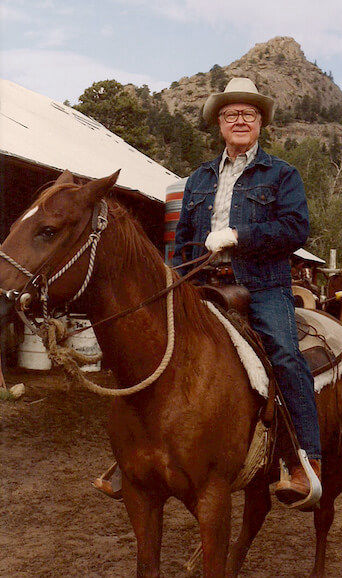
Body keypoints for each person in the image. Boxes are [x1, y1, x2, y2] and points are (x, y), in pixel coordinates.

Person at [94, 77, 321, 507]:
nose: (240, 120)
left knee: (285, 355)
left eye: (248, 114)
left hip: (260, 285)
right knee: (147, 345)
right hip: (200, 282)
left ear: (260, 124)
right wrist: (172, 278)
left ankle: (303, 461)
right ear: (219, 123)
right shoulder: (196, 180)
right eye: (232, 114)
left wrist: (239, 234)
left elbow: (295, 229)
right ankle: (132, 457)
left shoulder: (282, 174)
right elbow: (181, 242)